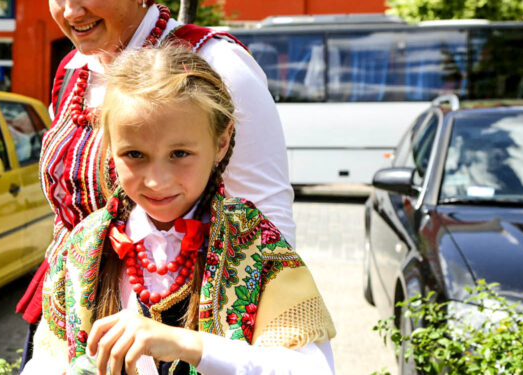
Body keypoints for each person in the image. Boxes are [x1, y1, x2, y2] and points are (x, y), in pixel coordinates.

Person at [22, 44, 335, 375]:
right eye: (135, 155)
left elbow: (310, 368)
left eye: (180, 154)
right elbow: (46, 362)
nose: (157, 181)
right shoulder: (84, 249)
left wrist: (188, 345)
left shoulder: (256, 245)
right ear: (110, 146)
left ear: (221, 142)